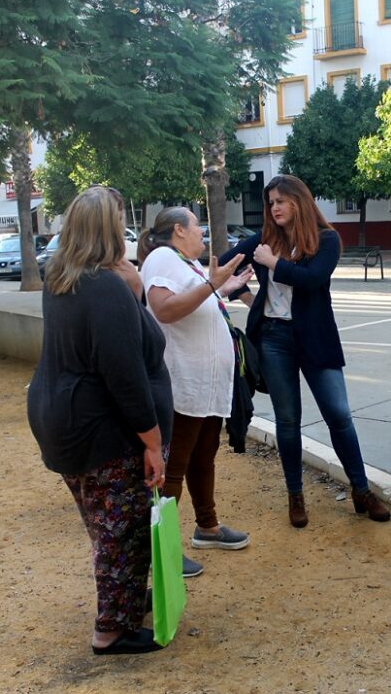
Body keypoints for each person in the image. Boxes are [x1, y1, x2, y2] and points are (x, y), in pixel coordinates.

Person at [27, 186, 171, 655]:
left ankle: (124, 598)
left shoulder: (59, 278)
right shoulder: (105, 286)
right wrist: (151, 442)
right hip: (100, 426)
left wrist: (131, 294)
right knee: (120, 528)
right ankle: (111, 629)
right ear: (111, 231)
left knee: (104, 523)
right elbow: (125, 375)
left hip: (61, 418)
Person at [222, 174, 390, 527]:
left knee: (339, 415)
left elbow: (313, 280)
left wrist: (273, 264)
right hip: (274, 339)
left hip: (315, 337)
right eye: (270, 203)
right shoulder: (265, 240)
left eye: (280, 201)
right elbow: (224, 264)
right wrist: (251, 298)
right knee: (288, 420)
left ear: (298, 201)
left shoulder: (326, 239)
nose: (274, 208)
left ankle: (361, 490)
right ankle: (295, 496)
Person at [140, 207, 253, 577]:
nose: (203, 235)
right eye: (198, 228)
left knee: (204, 457)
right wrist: (211, 284)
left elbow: (195, 303)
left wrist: (224, 287)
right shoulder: (161, 258)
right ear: (178, 230)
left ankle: (208, 526)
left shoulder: (182, 263)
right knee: (174, 468)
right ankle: (164, 551)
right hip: (184, 383)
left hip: (206, 386)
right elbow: (164, 310)